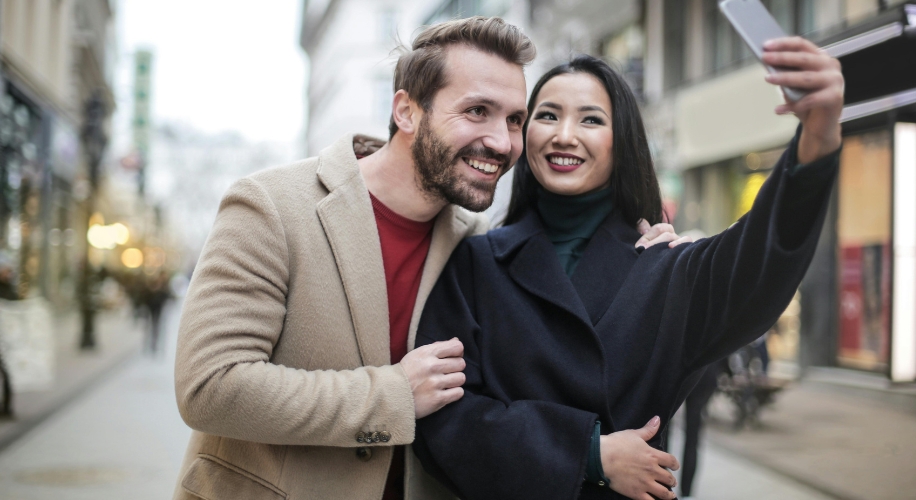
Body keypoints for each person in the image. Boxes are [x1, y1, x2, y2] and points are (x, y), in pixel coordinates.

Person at [172, 17, 681, 500]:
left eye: (514, 119)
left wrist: (656, 262)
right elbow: (210, 387)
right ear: (407, 110)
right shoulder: (272, 206)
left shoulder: (476, 243)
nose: (502, 142)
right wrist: (391, 395)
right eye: (477, 111)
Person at [414, 38, 843, 500]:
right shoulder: (474, 264)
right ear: (523, 136)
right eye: (547, 115)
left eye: (591, 119)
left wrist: (817, 138)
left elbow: (758, 261)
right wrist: (589, 454)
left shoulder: (665, 267)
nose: (564, 135)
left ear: (623, 143)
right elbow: (442, 422)